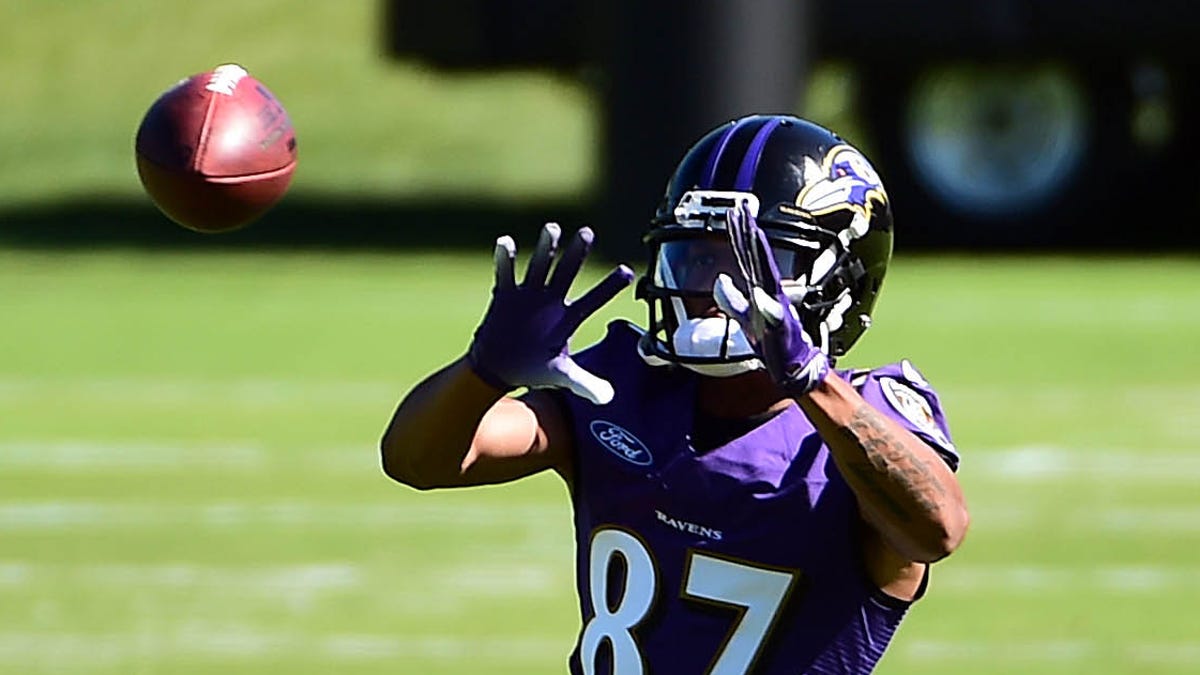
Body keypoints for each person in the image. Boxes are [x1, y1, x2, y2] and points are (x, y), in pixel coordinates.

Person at [381, 114, 969, 674]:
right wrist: (483, 371)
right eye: (697, 259)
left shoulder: (866, 419)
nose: (713, 289)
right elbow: (417, 461)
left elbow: (937, 531)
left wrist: (813, 383)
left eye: (756, 263)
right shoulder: (621, 384)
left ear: (842, 280)